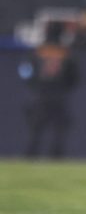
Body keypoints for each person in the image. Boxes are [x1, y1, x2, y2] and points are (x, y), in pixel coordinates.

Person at [19, 21, 79, 158]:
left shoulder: (38, 51)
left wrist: (33, 85)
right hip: (59, 95)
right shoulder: (66, 52)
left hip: (40, 94)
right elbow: (74, 76)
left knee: (35, 129)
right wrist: (65, 87)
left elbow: (25, 71)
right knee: (59, 130)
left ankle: (30, 157)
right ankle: (56, 158)